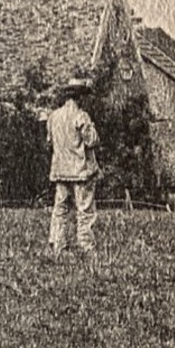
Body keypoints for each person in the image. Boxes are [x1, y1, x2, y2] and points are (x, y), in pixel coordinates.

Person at [46, 77, 99, 255]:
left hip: (60, 169)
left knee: (60, 209)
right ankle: (86, 246)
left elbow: (49, 141)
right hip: (80, 170)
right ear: (80, 97)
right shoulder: (81, 116)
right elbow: (92, 141)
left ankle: (58, 245)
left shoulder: (53, 116)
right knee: (84, 211)